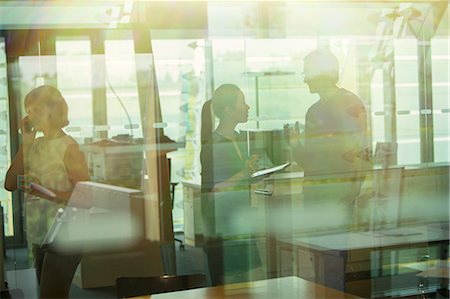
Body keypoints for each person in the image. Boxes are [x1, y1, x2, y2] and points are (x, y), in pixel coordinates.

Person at [285, 49, 370, 290]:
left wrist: (348, 196)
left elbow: (360, 155)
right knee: (321, 267)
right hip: (316, 199)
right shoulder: (314, 111)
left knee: (331, 268)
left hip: (335, 200)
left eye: (307, 73)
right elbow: (310, 162)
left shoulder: (349, 103)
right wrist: (294, 143)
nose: (304, 79)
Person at [5, 85, 90, 298]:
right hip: (40, 233)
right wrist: (25, 144)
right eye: (29, 111)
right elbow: (10, 184)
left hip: (65, 234)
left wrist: (42, 191)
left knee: (51, 296)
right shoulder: (35, 145)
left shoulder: (69, 147)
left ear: (53, 110)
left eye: (36, 110)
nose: (30, 116)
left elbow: (86, 198)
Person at [200, 84, 261, 286]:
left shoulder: (238, 139)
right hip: (225, 226)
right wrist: (243, 173)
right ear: (228, 110)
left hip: (241, 223)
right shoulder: (214, 145)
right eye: (242, 103)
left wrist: (252, 173)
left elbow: (238, 180)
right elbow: (213, 191)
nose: (247, 107)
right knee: (232, 287)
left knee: (252, 284)